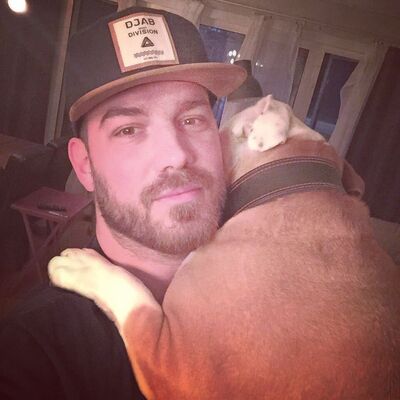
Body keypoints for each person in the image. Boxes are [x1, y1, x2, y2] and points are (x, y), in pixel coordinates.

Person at [0, 6, 246, 399]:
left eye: (192, 120)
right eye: (129, 129)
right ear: (85, 165)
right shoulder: (31, 353)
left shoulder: (279, 293)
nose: (176, 154)